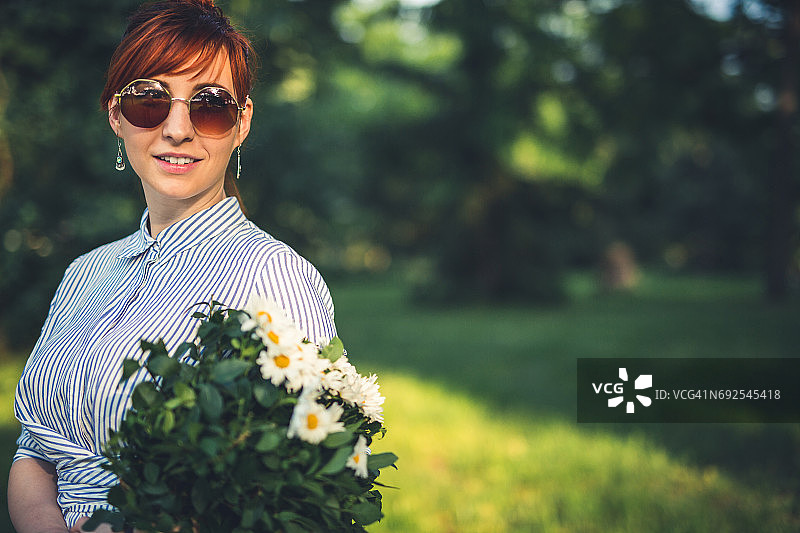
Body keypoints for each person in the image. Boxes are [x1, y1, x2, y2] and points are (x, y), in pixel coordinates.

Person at [7, 1, 338, 532]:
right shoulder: (85, 273)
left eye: (210, 104)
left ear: (242, 123)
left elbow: (297, 485)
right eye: (149, 100)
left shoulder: (273, 278)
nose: (178, 129)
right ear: (116, 115)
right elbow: (34, 450)